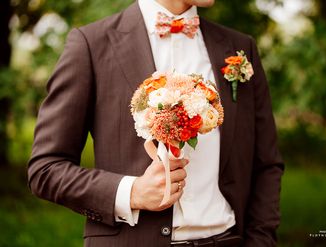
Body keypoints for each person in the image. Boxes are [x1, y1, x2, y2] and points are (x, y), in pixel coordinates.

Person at [27, 0, 284, 246]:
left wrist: (261, 240)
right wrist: (132, 192)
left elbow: (266, 164)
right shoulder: (91, 44)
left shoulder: (240, 48)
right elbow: (46, 169)